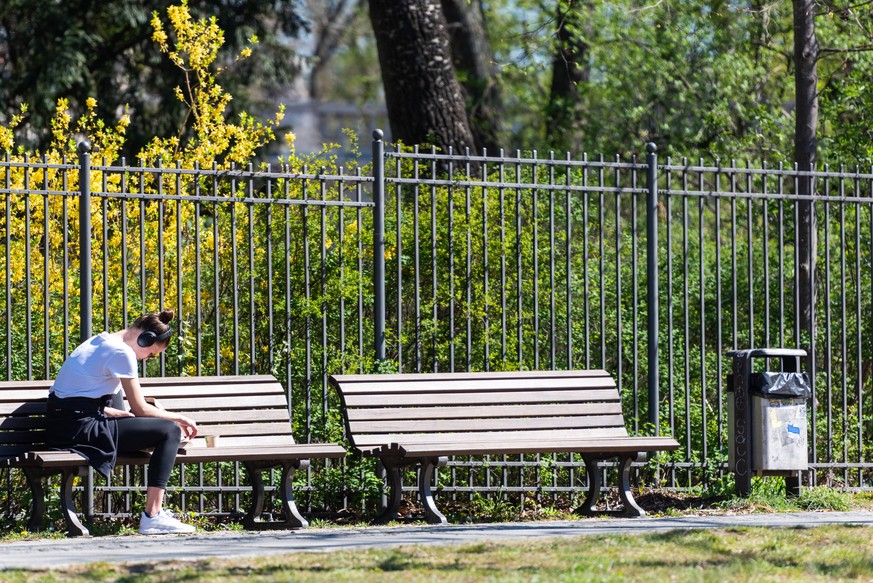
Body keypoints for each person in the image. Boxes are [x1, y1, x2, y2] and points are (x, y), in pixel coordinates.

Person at [46, 309, 198, 535]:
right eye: (151, 354)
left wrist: (108, 411)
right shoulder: (122, 352)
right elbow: (139, 408)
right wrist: (180, 417)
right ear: (146, 338)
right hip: (81, 428)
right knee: (170, 431)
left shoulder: (99, 341)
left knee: (160, 429)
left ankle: (155, 514)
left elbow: (69, 395)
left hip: (65, 425)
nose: (146, 358)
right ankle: (152, 516)